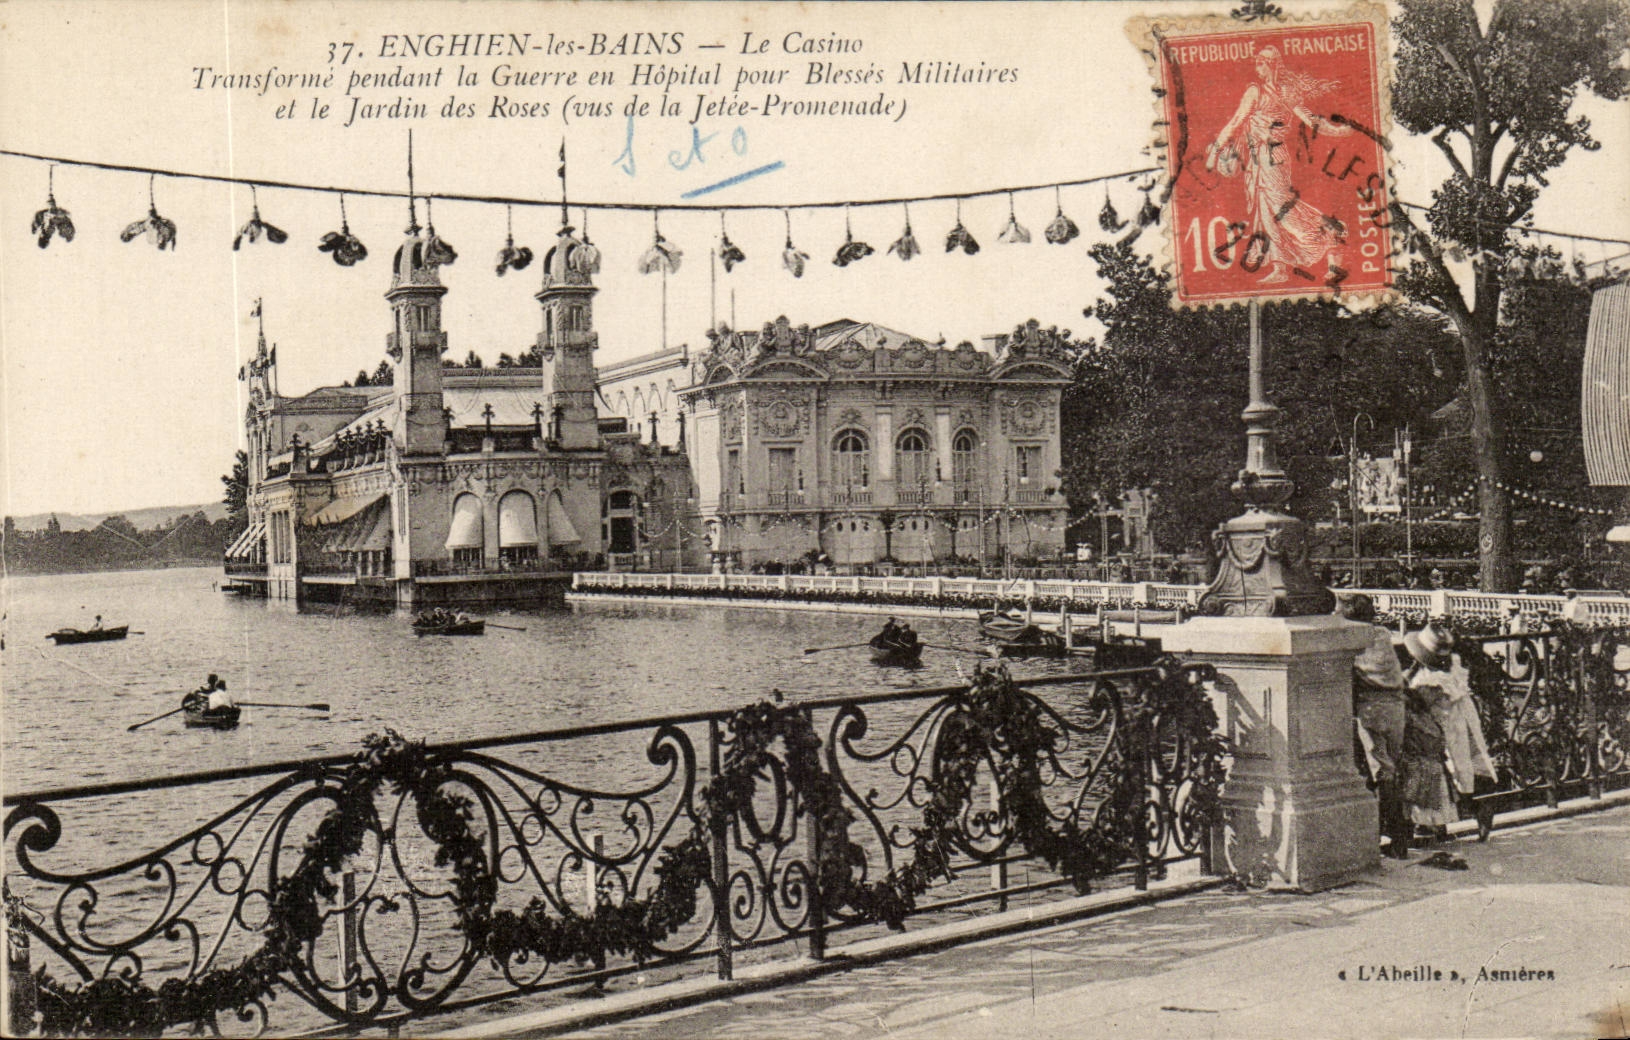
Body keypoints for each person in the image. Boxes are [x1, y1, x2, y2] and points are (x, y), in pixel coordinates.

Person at [1206, 45, 1352, 285]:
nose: (1258, 68)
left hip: (1270, 158)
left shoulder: (1269, 92)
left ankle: (1331, 232)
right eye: (1256, 63)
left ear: (1272, 65)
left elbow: (1236, 122)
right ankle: (1280, 267)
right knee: (1268, 212)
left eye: (1261, 63)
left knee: (1281, 210)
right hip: (1262, 158)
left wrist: (1215, 151)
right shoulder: (1272, 91)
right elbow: (1237, 122)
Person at [1338, 594, 1411, 858]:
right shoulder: (1382, 634)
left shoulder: (1353, 639)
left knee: (1381, 771)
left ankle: (1392, 835)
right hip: (1396, 705)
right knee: (1394, 764)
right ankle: (1402, 831)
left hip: (1371, 708)